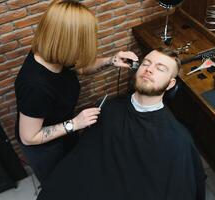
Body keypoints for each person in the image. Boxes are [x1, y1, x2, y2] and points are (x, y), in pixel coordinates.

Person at [37, 49, 206, 200]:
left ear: (170, 84)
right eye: (146, 63)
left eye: (160, 68)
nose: (149, 69)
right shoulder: (107, 107)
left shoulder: (177, 139)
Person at [14, 0, 138, 185]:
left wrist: (111, 60)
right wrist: (74, 124)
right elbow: (29, 137)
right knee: (60, 185)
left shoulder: (54, 54)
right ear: (68, 41)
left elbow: (80, 68)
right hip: (45, 147)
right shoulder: (35, 87)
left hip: (66, 131)